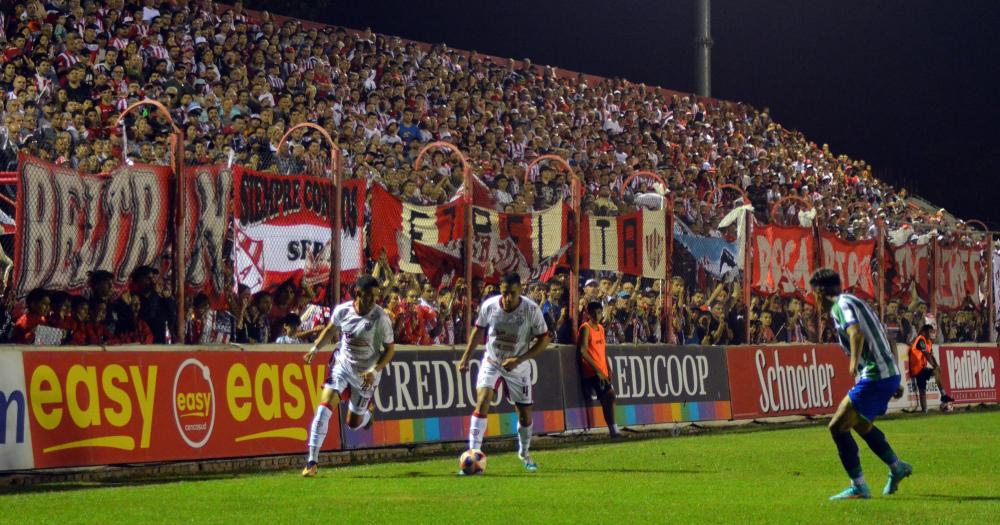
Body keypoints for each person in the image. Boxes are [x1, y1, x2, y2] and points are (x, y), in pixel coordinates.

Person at [810, 268, 912, 500]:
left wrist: (853, 362)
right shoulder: (855, 300)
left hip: (874, 375)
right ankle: (897, 467)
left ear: (819, 293)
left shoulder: (840, 305)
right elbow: (887, 338)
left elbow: (856, 334)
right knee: (860, 425)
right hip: (885, 373)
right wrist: (894, 372)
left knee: (837, 427)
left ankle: (859, 487)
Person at [301, 275, 396, 477]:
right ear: (358, 293)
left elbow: (390, 350)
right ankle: (312, 462)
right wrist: (315, 349)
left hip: (366, 374)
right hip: (342, 365)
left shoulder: (381, 318)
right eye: (370, 296)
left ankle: (368, 415)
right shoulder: (343, 311)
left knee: (352, 423)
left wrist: (375, 370)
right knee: (324, 409)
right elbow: (330, 330)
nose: (373, 301)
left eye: (376, 297)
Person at [458, 272, 550, 473]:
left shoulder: (531, 310)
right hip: (492, 361)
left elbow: (544, 339)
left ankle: (524, 454)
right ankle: (474, 453)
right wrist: (465, 357)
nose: (508, 298)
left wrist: (519, 359)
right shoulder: (490, 306)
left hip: (518, 366)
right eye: (504, 293)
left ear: (520, 291)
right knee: (483, 399)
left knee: (525, 416)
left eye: (513, 294)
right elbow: (478, 331)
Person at [578, 301, 621, 438]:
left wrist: (607, 367)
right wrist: (597, 370)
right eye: (594, 313)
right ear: (588, 314)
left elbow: (602, 350)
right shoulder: (585, 328)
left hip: (602, 371)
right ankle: (613, 429)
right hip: (593, 372)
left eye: (599, 312)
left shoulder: (601, 328)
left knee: (607, 399)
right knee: (609, 396)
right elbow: (583, 351)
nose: (597, 316)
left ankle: (613, 429)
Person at [908, 324, 954, 412]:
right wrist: (934, 366)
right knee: (922, 390)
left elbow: (931, 355)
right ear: (924, 332)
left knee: (923, 389)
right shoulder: (921, 339)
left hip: (922, 368)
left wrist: (936, 365)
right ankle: (942, 396)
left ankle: (925, 411)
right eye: (930, 332)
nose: (932, 334)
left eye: (932, 332)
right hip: (917, 369)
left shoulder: (928, 342)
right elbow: (926, 354)